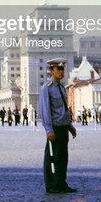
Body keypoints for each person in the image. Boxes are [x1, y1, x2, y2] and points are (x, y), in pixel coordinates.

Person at [39, 58, 77, 194]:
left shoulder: (61, 87)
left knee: (62, 157)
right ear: (51, 71)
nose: (61, 72)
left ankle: (61, 182)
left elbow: (64, 109)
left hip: (62, 127)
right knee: (52, 157)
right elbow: (45, 110)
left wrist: (69, 126)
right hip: (54, 127)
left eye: (62, 69)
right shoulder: (46, 88)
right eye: (58, 69)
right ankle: (51, 184)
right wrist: (48, 129)